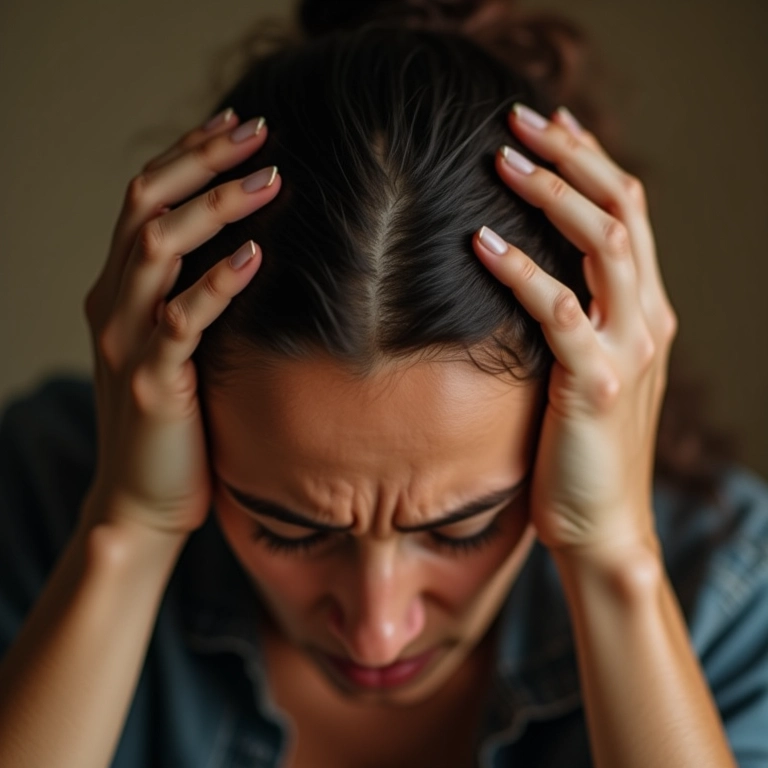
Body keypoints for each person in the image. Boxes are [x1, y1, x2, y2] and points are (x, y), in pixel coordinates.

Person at [0, 0, 766, 766]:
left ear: (583, 410)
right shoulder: (36, 503)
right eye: (289, 530)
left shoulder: (729, 595)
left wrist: (614, 557)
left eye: (462, 529)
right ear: (184, 410)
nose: (378, 628)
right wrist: (128, 529)